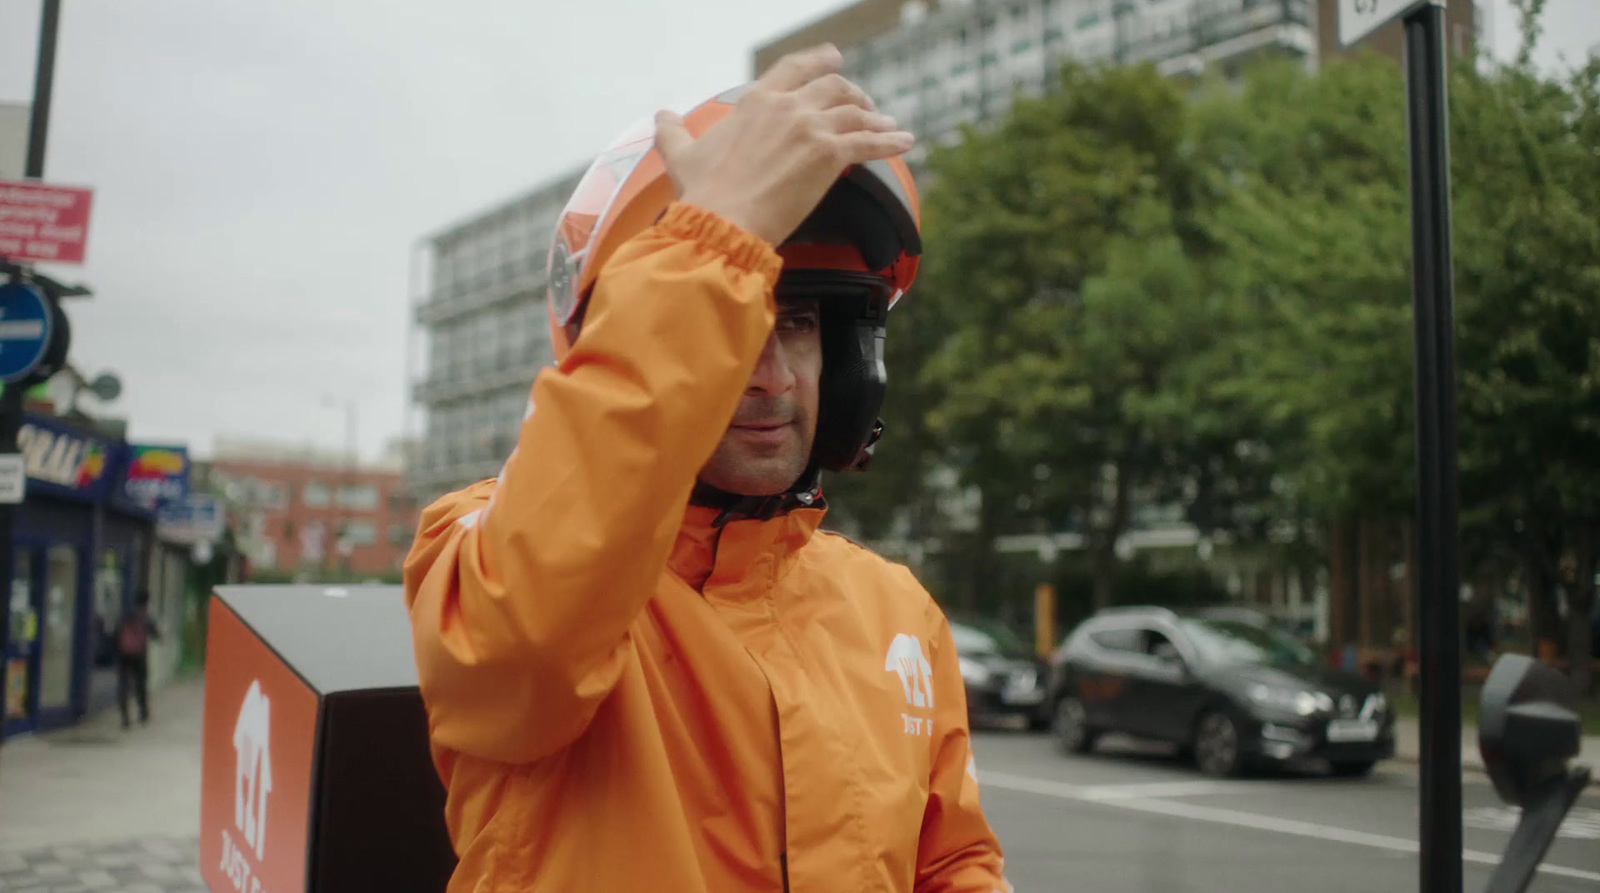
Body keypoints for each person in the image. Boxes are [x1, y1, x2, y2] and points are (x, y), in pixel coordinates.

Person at [404, 45, 1010, 893]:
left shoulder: (896, 611)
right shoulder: (484, 552)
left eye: (797, 322)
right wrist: (715, 241)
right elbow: (526, 633)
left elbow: (951, 864)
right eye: (736, 317)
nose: (770, 373)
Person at [115, 589, 160, 729]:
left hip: (124, 655)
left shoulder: (126, 615)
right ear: (147, 601)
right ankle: (143, 713)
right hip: (140, 655)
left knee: (123, 685)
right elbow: (156, 635)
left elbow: (116, 633)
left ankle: (125, 717)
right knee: (140, 685)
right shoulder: (146, 616)